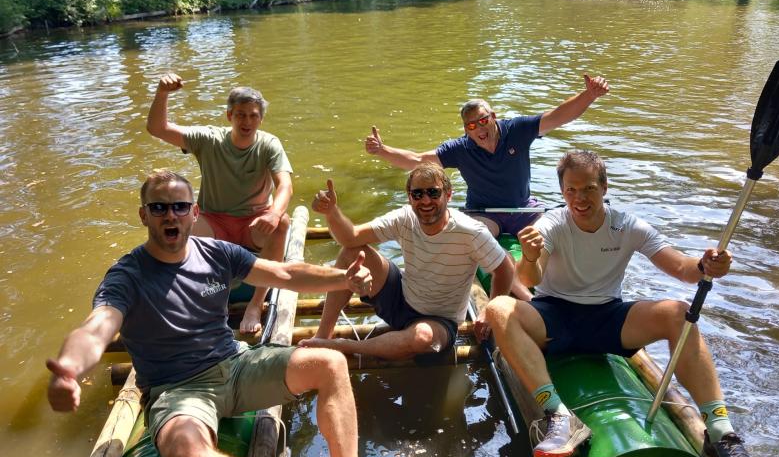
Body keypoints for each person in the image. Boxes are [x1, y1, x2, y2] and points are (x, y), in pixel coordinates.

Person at [46, 170, 376, 457]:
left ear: (194, 213)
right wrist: (69, 368)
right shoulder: (126, 276)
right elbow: (97, 327)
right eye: (159, 208)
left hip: (234, 365)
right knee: (184, 450)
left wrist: (343, 279)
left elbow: (285, 273)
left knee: (330, 363)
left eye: (179, 206)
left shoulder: (216, 253)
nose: (170, 215)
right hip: (178, 389)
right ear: (144, 215)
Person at [483, 151, 775, 457]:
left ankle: (721, 433)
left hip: (608, 317)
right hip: (554, 315)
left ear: (604, 187)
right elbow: (530, 278)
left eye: (588, 189)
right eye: (571, 190)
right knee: (499, 308)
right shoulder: (552, 223)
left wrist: (705, 265)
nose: (579, 199)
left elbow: (681, 268)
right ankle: (558, 414)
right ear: (562, 192)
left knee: (678, 313)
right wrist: (530, 256)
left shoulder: (627, 225)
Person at [365, 74, 609, 299]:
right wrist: (382, 151)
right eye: (472, 126)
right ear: (466, 130)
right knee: (481, 244)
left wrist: (589, 95)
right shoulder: (460, 149)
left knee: (555, 234)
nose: (479, 128)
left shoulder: (516, 130)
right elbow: (418, 160)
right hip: (484, 213)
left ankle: (574, 284)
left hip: (523, 208)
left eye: (483, 121)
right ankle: (528, 298)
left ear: (493, 116)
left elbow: (558, 116)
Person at [299, 162, 514, 360]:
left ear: (448, 195)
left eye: (433, 192)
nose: (425, 201)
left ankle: (345, 346)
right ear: (409, 197)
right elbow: (351, 237)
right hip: (401, 297)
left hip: (439, 320)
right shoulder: (405, 218)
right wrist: (332, 212)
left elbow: (505, 268)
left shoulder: (471, 232)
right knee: (351, 252)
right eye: (418, 194)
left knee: (422, 338)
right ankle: (323, 335)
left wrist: (489, 311)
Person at [147, 72, 292, 335]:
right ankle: (189, 297)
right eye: (240, 115)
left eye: (253, 115)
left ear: (260, 118)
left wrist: (273, 214)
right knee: (176, 219)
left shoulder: (269, 144)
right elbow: (158, 128)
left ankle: (255, 304)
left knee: (282, 221)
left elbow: (285, 185)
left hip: (253, 222)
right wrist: (162, 93)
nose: (247, 121)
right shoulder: (208, 138)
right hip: (214, 220)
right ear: (229, 116)